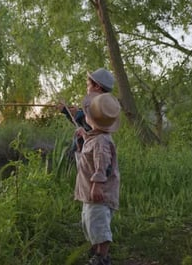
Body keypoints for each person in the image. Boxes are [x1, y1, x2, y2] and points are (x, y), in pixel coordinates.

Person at [74, 92, 121, 265]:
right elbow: (92, 149)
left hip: (99, 194)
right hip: (90, 192)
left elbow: (103, 163)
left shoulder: (101, 141)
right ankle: (96, 250)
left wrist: (97, 185)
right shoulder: (95, 137)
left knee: (99, 223)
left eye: (87, 113)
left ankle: (102, 257)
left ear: (91, 118)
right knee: (89, 221)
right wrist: (84, 137)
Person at [57, 68, 115, 154]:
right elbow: (85, 127)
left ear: (97, 86)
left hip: (94, 155)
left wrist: (77, 114)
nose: (86, 88)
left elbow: (92, 126)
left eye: (88, 85)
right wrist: (68, 112)